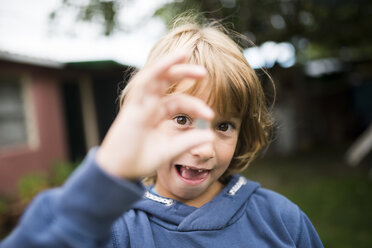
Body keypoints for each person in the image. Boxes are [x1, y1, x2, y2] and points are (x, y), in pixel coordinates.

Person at [0, 17, 324, 248]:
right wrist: (106, 174)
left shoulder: (283, 220)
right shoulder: (115, 230)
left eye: (224, 126)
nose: (203, 148)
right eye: (182, 119)